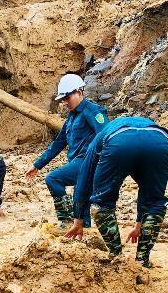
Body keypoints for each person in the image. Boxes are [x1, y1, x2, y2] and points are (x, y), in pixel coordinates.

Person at [64, 116, 168, 268]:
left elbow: (84, 178)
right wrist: (139, 225)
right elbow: (147, 190)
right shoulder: (146, 126)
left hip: (119, 142)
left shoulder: (99, 138)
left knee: (102, 203)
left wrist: (78, 219)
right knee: (155, 202)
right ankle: (143, 261)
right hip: (159, 142)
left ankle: (117, 256)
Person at [25, 74, 109, 228]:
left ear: (79, 92)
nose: (64, 102)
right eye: (62, 99)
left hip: (88, 162)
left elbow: (106, 136)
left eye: (67, 98)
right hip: (78, 163)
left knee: (53, 179)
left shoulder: (93, 111)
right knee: (81, 207)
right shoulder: (71, 117)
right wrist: (37, 165)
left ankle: (66, 221)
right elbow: (58, 143)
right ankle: (84, 239)